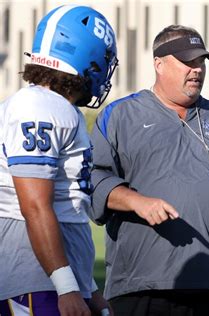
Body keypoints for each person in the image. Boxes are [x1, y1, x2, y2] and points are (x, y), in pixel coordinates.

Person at [89, 24, 209, 316]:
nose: (197, 69)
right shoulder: (121, 116)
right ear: (159, 64)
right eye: (188, 61)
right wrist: (137, 202)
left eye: (201, 61)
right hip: (143, 285)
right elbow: (92, 179)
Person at [0, 5, 118, 316]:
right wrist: (67, 287)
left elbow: (68, 208)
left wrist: (87, 288)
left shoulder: (54, 108)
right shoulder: (38, 107)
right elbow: (35, 205)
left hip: (52, 279)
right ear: (85, 57)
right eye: (103, 60)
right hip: (33, 280)